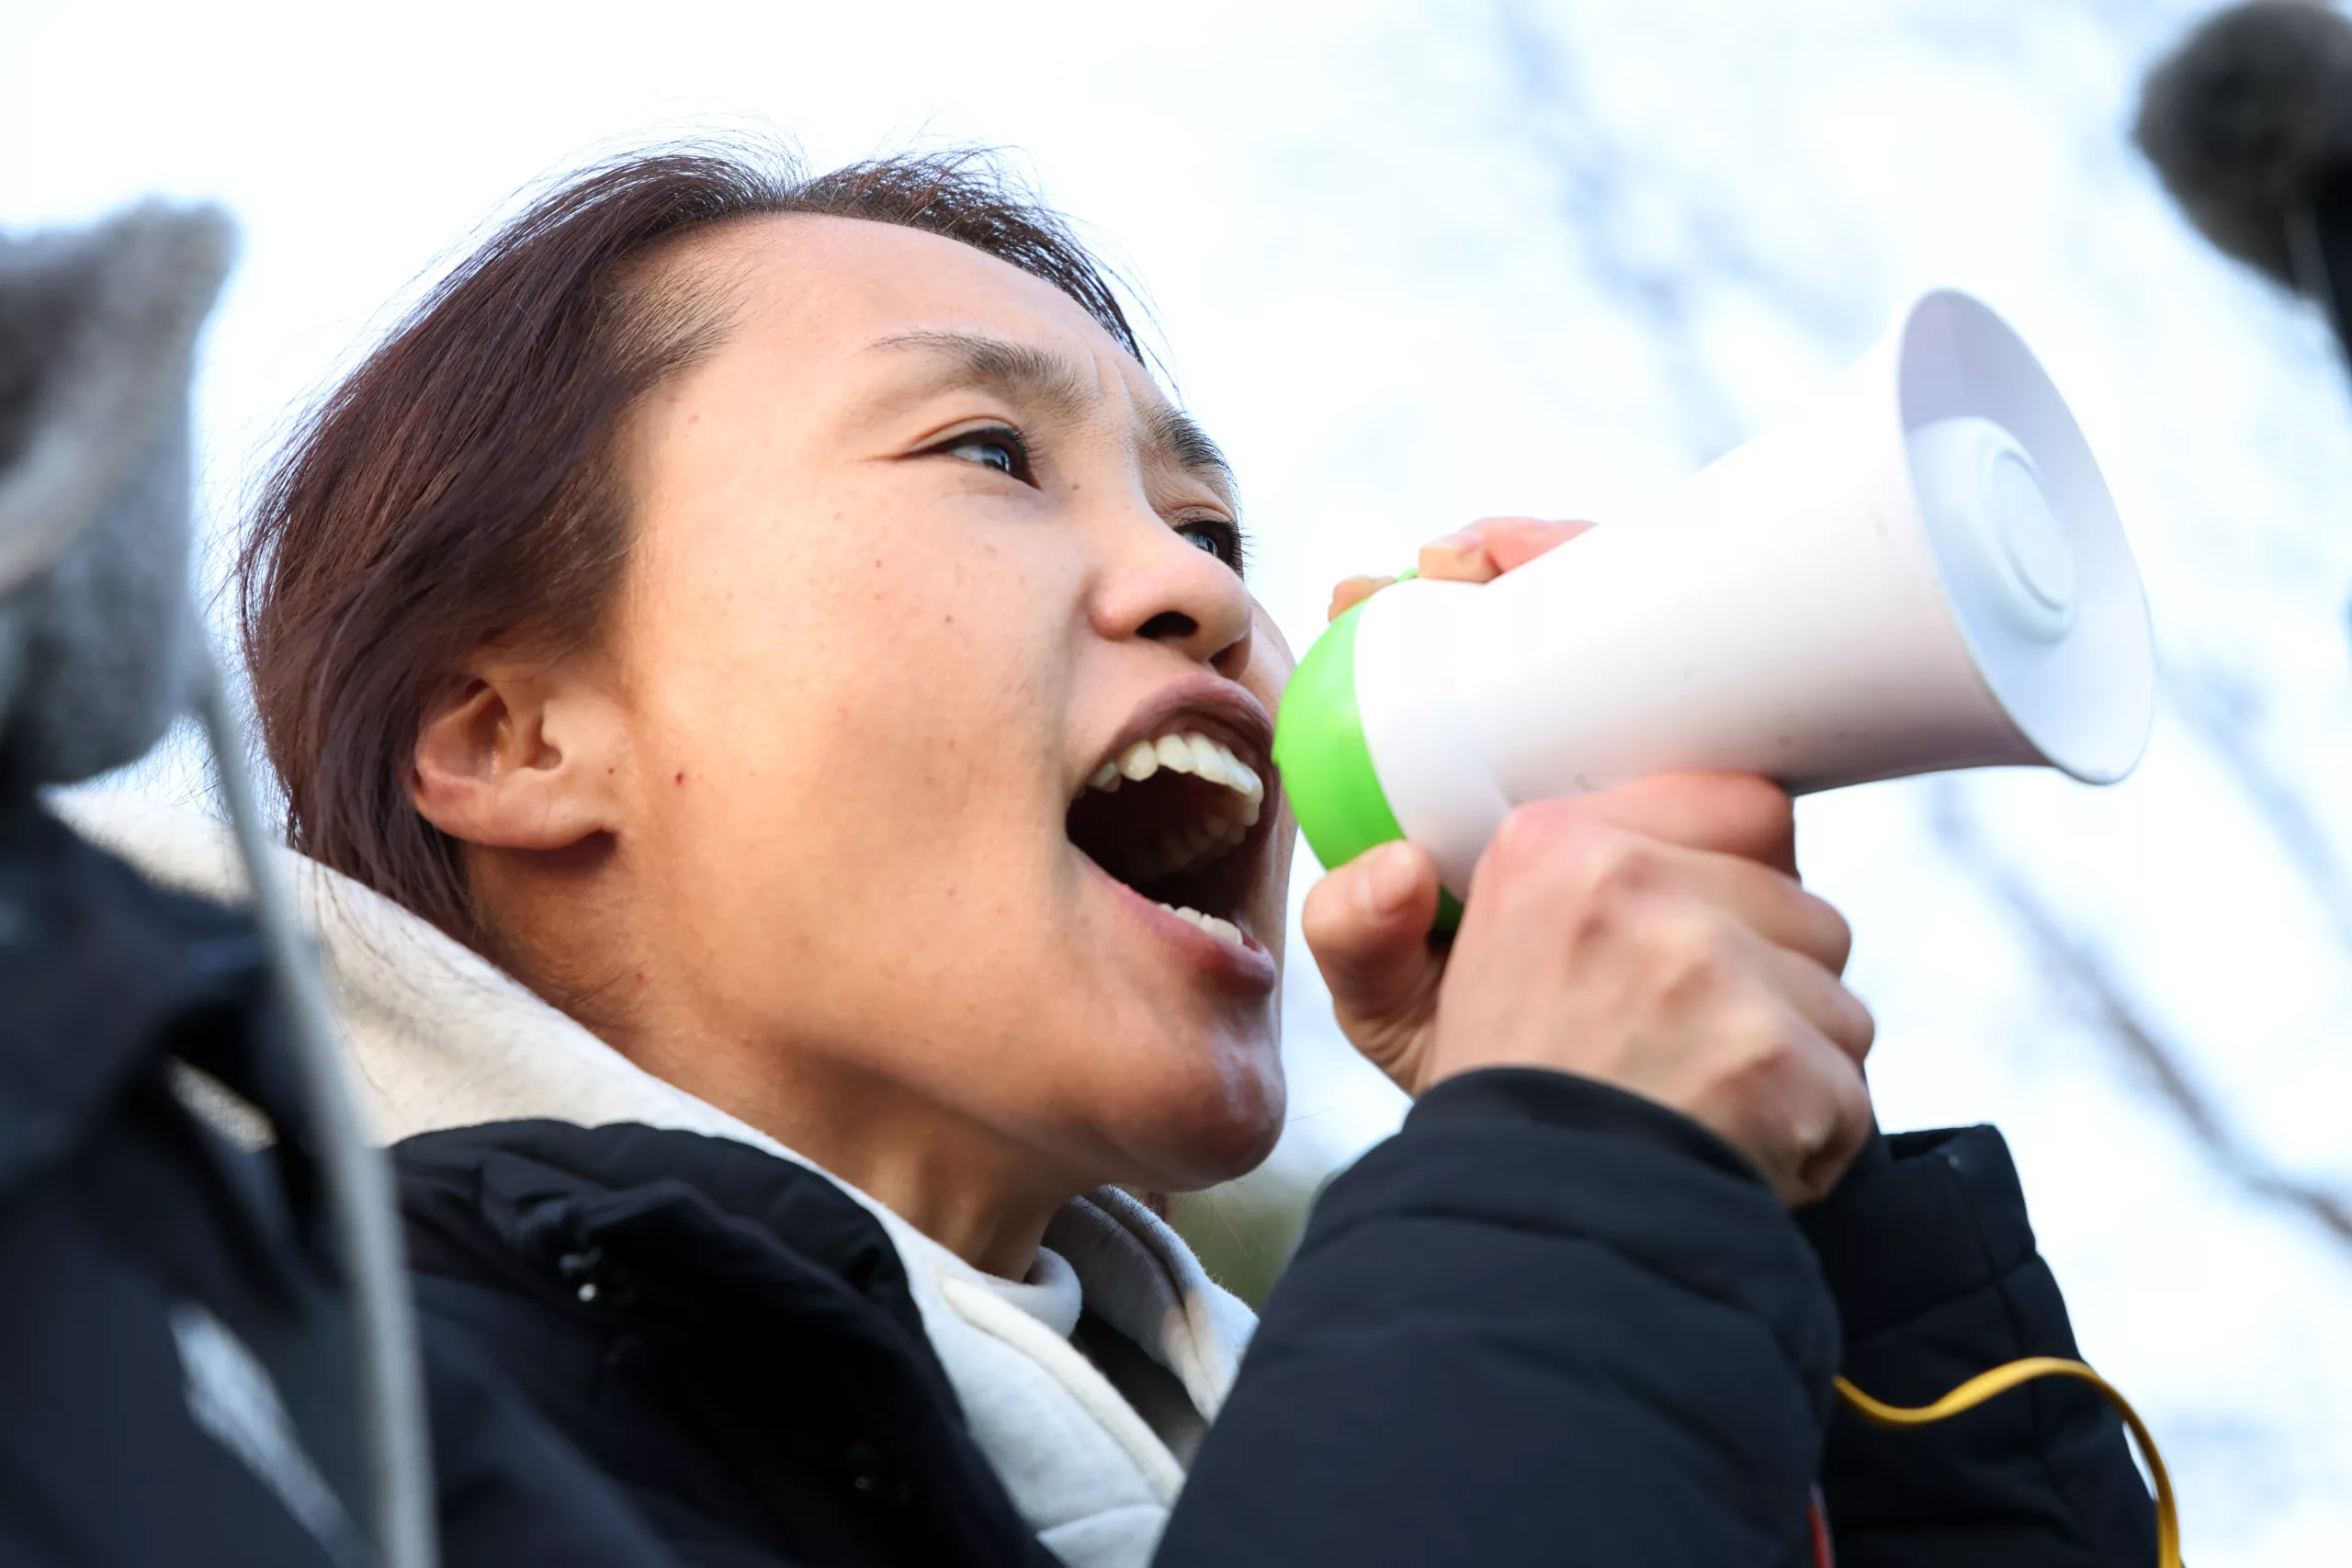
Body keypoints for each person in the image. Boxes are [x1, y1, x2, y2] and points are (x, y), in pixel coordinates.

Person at [69, 142, 2157, 1565]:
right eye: (988, 453)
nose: (1203, 591)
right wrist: (1565, 1196)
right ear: (513, 737)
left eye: (1209, 524)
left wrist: (1800, 1234)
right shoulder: (239, 1418)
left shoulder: (1288, 1429)